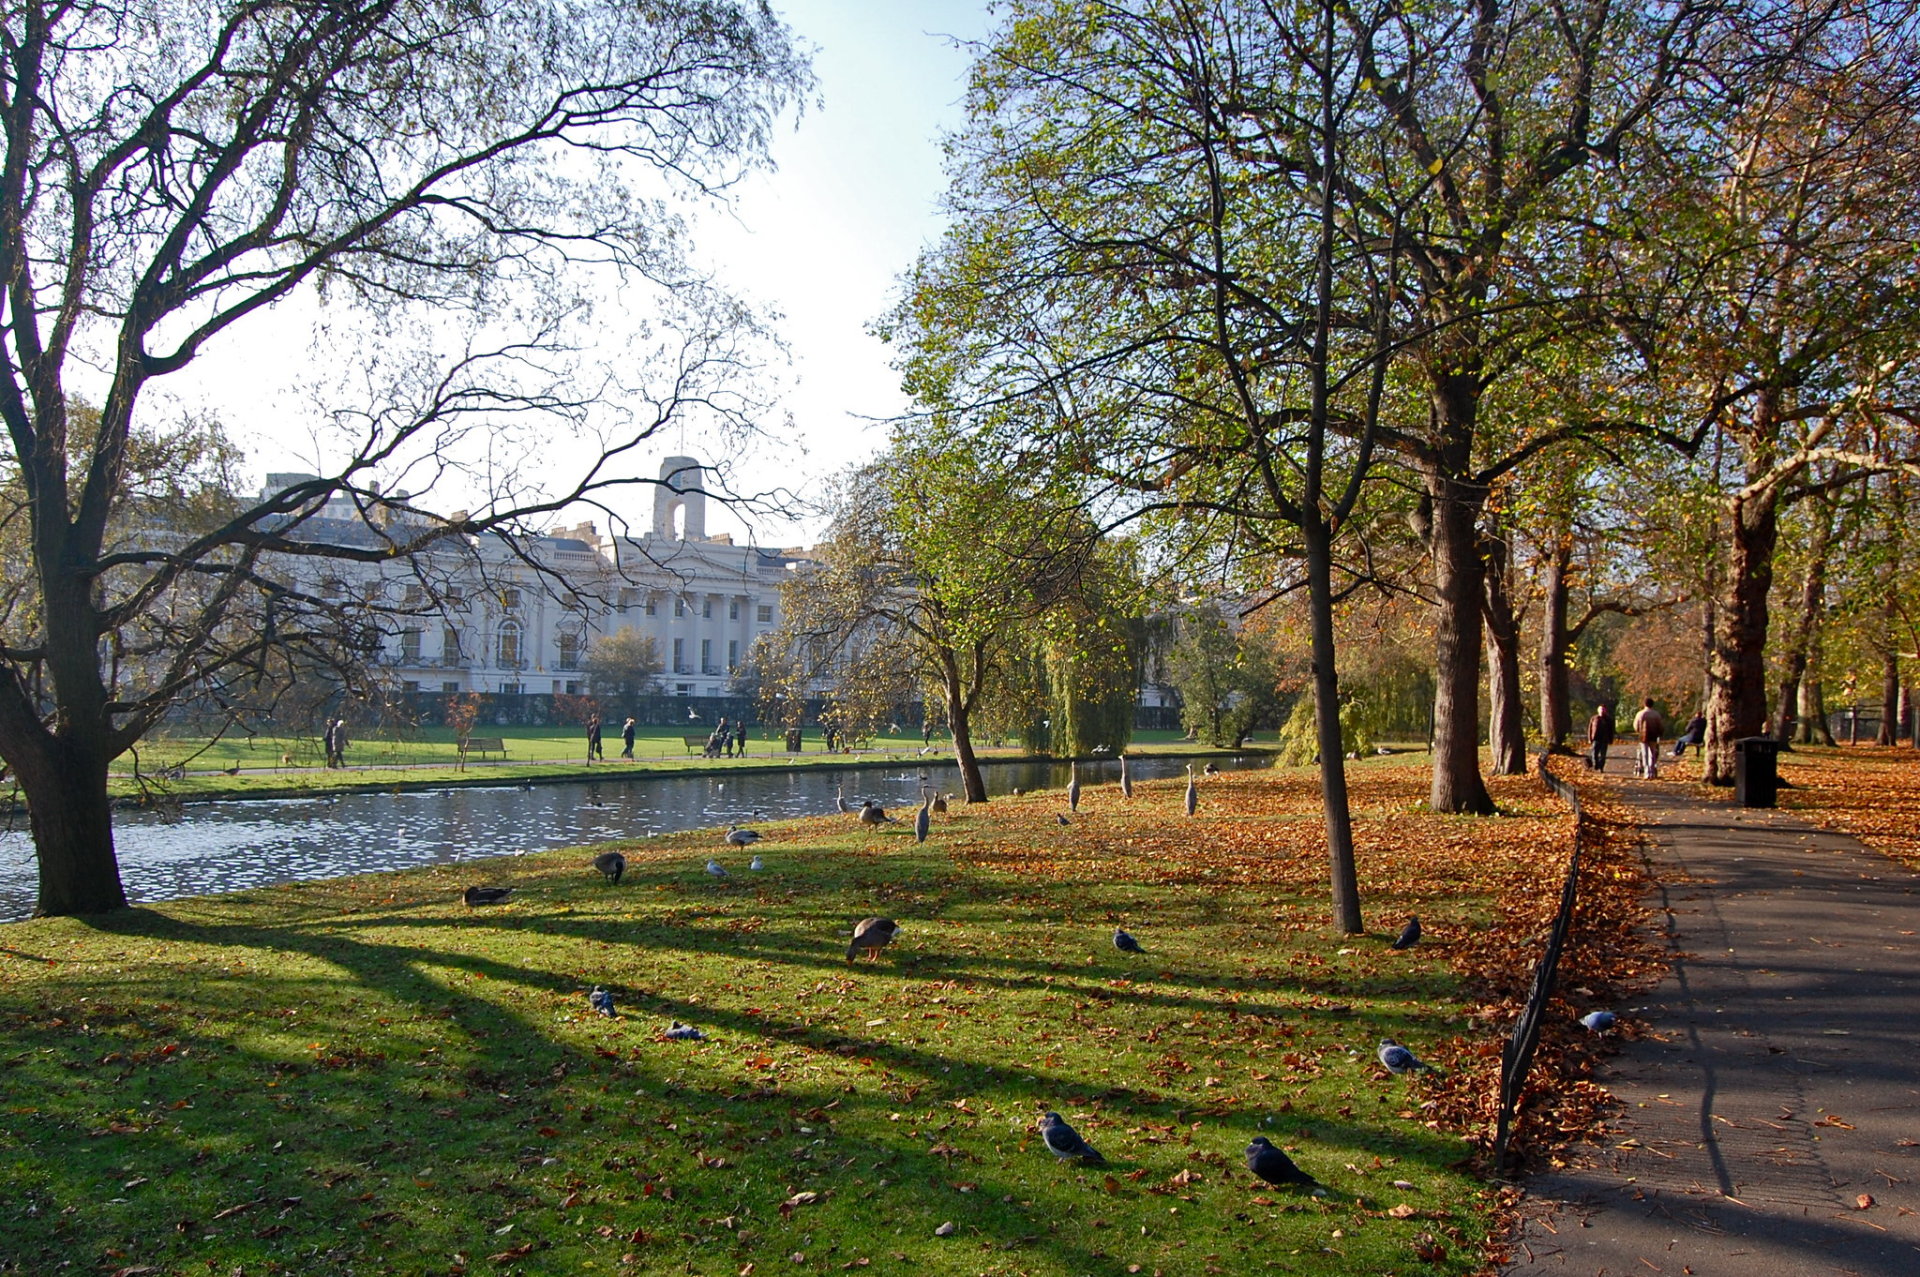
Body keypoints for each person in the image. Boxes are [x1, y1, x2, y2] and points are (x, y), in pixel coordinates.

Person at [1633, 698, 1665, 779]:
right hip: (1653, 736)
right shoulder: (1656, 714)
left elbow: (1636, 726)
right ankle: (1652, 771)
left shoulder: (1640, 714)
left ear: (1644, 704)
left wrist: (1638, 731)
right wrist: (1660, 733)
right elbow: (1660, 726)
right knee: (1652, 754)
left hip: (1643, 736)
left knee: (1644, 754)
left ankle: (1646, 772)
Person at [1587, 704, 1615, 772]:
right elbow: (1590, 729)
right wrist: (1590, 738)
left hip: (1604, 739)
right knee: (1594, 753)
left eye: (1603, 709)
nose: (1602, 711)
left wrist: (1611, 739)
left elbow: (1611, 730)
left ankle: (1601, 767)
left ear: (1605, 710)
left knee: (1603, 755)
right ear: (1598, 710)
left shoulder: (1608, 719)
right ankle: (1596, 765)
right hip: (1596, 739)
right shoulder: (1594, 718)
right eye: (1601, 709)